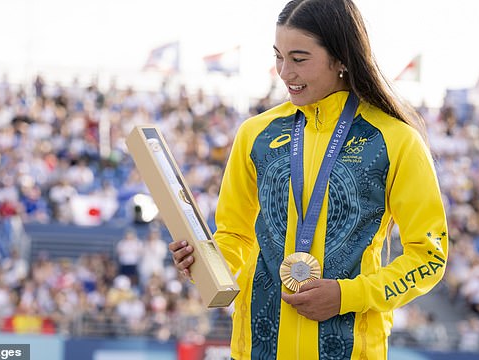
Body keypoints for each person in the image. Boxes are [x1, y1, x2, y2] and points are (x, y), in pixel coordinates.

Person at [169, 0, 449, 358]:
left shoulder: (395, 140)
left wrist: (347, 296)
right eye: (278, 57)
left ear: (342, 58)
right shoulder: (256, 134)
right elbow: (234, 236)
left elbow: (429, 258)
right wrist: (204, 262)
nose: (285, 73)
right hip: (256, 349)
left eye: (299, 59)